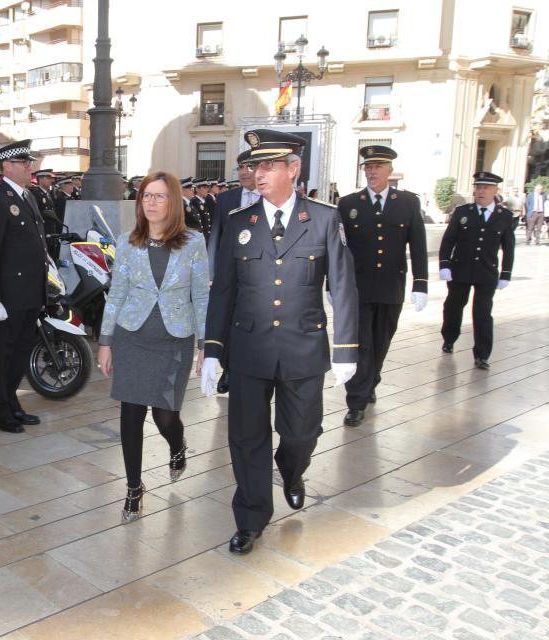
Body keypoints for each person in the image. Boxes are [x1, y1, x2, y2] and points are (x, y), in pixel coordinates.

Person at [200, 129, 358, 555]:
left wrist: (346, 348)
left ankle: (291, 469)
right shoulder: (238, 223)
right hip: (249, 350)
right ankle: (250, 517)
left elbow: (342, 286)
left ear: (293, 169)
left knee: (302, 433)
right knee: (246, 437)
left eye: (269, 165)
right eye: (255, 166)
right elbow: (224, 291)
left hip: (302, 348)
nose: (258, 173)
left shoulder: (324, 219)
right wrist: (213, 349)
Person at [97, 171, 209, 522]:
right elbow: (116, 293)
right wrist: (106, 341)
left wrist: (207, 345)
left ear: (174, 201)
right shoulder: (128, 241)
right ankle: (133, 489)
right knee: (131, 414)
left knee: (166, 416)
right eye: (147, 195)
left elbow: (202, 295)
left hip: (175, 337)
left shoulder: (193, 242)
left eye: (160, 196)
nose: (152, 202)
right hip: (133, 335)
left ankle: (177, 445)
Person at [336, 146, 428, 427]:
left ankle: (371, 380)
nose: (372, 171)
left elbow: (419, 244)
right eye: (367, 167)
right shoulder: (349, 204)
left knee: (381, 343)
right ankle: (356, 401)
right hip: (359, 288)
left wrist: (420, 283)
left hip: (391, 286)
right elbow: (339, 248)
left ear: (390, 170)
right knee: (361, 344)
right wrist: (333, 283)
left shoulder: (408, 202)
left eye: (377, 166)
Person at [0, 140, 49, 433]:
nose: (30, 167)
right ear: (7, 167)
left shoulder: (28, 197)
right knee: (3, 357)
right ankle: (1, 411)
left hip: (29, 294)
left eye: (29, 162)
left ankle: (12, 403)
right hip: (8, 297)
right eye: (24, 163)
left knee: (20, 355)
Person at [439, 171, 515, 370]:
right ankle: (449, 337)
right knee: (453, 307)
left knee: (482, 313)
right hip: (460, 269)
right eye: (478, 187)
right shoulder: (463, 212)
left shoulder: (504, 216)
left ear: (495, 191)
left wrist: (506, 274)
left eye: (486, 188)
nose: (481, 191)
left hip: (486, 272)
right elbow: (449, 240)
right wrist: (445, 264)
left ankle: (482, 354)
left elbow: (509, 247)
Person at [206, 151, 262, 395]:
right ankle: (228, 368)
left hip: (259, 274)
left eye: (249, 166)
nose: (244, 172)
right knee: (226, 321)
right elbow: (215, 236)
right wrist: (212, 272)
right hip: (231, 273)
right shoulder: (227, 199)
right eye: (240, 167)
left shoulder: (268, 198)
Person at [191, 177, 213, 242]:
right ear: (197, 189)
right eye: (204, 187)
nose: (207, 190)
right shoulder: (194, 201)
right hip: (200, 236)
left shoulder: (203, 201)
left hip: (205, 235)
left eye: (207, 187)